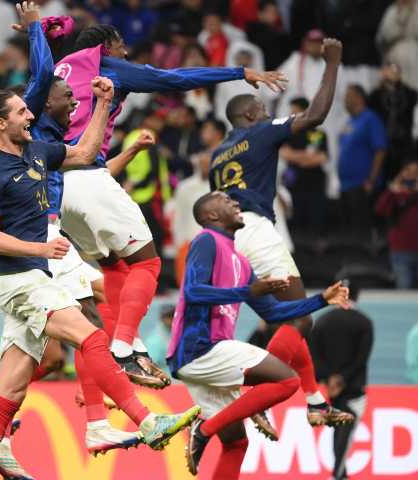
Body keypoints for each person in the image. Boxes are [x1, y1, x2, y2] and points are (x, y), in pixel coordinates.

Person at [0, 69, 200, 480]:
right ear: (1, 124)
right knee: (92, 334)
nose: (29, 116)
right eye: (19, 112)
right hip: (17, 280)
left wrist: (103, 103)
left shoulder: (37, 151)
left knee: (10, 393)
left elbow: (85, 155)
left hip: (35, 277)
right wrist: (41, 249)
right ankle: (145, 421)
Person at [49, 20, 285, 388]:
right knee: (148, 263)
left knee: (113, 266)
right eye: (122, 45)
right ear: (107, 45)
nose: (126, 53)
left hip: (57, 187)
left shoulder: (59, 72)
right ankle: (124, 347)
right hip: (90, 176)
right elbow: (172, 79)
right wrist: (239, 72)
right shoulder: (105, 65)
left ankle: (128, 347)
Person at [210, 37, 354, 434]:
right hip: (255, 231)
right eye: (260, 105)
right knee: (301, 320)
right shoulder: (259, 133)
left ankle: (314, 401)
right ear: (252, 113)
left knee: (285, 322)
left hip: (229, 245)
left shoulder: (218, 154)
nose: (264, 107)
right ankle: (251, 389)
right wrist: (332, 64)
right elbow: (317, 115)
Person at [175, 191, 351, 478]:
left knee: (236, 445)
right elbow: (192, 291)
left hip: (204, 357)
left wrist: (321, 299)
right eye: (226, 200)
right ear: (212, 216)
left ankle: (212, 425)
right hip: (199, 348)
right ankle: (205, 428)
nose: (235, 202)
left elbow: (273, 313)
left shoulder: (242, 264)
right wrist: (246, 292)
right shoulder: (207, 240)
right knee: (286, 381)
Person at [310, 282, 373, 480]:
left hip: (331, 390)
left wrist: (329, 379)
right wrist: (342, 378)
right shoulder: (364, 322)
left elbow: (314, 355)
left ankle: (340, 475)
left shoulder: (322, 321)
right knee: (344, 436)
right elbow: (361, 358)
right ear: (358, 295)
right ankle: (338, 476)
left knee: (338, 433)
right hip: (353, 390)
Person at [171, 117, 224, 284]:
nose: (205, 164)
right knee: (186, 288)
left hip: (216, 244)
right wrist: (179, 242)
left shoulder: (224, 188)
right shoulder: (185, 187)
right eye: (203, 160)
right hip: (188, 242)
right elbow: (178, 217)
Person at [337, 84, 387, 237]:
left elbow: (380, 150)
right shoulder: (350, 122)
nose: (344, 100)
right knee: (350, 231)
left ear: (359, 97)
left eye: (348, 96)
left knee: (362, 230)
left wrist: (371, 180)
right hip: (347, 185)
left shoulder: (370, 118)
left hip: (363, 184)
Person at [280, 97, 329, 235]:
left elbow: (322, 157)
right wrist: (306, 157)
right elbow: (285, 154)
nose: (292, 115)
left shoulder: (318, 133)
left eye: (295, 112)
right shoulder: (288, 133)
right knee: (295, 220)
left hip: (315, 183)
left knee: (315, 219)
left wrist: (297, 157)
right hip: (294, 183)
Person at [369, 62, 417, 180]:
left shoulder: (409, 93)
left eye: (396, 71)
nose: (393, 74)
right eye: (390, 71)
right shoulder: (376, 95)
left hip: (404, 142)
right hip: (383, 141)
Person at [374, 160, 418, 289]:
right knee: (404, 290)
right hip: (401, 251)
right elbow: (380, 209)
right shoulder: (395, 194)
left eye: (416, 172)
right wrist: (393, 189)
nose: (413, 175)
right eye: (409, 172)